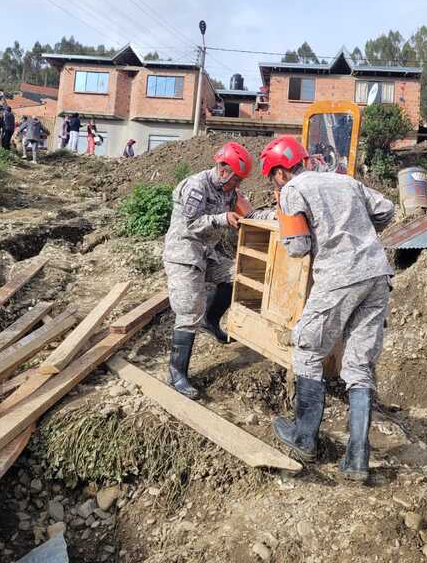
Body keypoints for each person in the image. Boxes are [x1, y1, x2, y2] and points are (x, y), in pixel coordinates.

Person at [260, 136, 395, 482]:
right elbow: (386, 210)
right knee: (359, 364)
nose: (276, 181)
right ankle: (357, 457)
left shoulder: (292, 191)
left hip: (339, 277)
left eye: (273, 176)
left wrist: (288, 218)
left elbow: (298, 248)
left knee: (307, 348)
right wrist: (358, 234)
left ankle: (304, 438)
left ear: (279, 172)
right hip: (376, 274)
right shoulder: (344, 180)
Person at [163, 142, 274, 399]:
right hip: (184, 254)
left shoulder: (230, 192)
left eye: (240, 180)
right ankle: (177, 374)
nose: (237, 184)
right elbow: (191, 224)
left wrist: (275, 215)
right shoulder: (196, 186)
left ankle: (210, 321)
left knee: (238, 274)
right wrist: (222, 219)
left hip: (208, 253)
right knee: (189, 308)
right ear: (223, 169)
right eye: (236, 178)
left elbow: (248, 214)